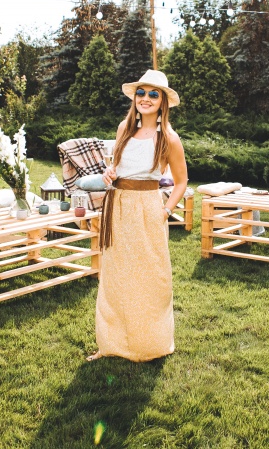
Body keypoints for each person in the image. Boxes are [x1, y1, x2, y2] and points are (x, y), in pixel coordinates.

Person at [86, 69, 188, 362]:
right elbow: (118, 167)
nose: (146, 98)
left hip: (147, 210)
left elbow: (181, 182)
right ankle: (112, 343)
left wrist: (165, 211)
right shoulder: (124, 128)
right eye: (141, 93)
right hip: (117, 206)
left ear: (163, 101)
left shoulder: (169, 138)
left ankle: (149, 345)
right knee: (116, 276)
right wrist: (110, 173)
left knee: (150, 278)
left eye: (153, 94)